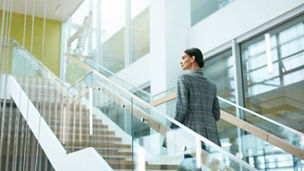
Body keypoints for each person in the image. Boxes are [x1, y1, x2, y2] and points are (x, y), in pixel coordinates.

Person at [173, 47, 221, 150]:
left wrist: (170, 131)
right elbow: (216, 115)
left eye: (183, 58)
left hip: (192, 135)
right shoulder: (212, 85)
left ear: (192, 59)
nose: (181, 62)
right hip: (212, 136)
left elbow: (181, 110)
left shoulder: (184, 78)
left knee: (189, 165)